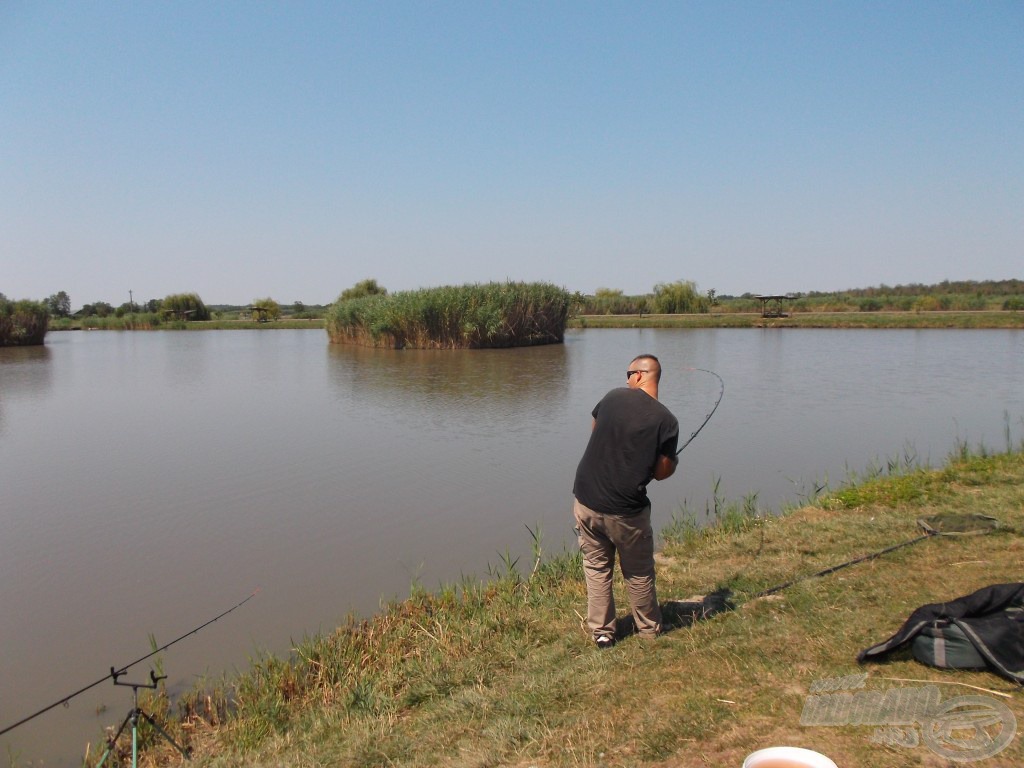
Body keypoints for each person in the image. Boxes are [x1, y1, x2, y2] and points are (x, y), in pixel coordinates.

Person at [572, 354, 680, 648]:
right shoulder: (667, 421)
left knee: (596, 567)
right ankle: (648, 629)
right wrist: (674, 460)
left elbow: (596, 435)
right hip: (626, 510)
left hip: (585, 497)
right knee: (638, 570)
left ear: (640, 375)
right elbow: (661, 473)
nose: (625, 379)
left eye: (628, 373)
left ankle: (603, 633)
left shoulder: (610, 398)